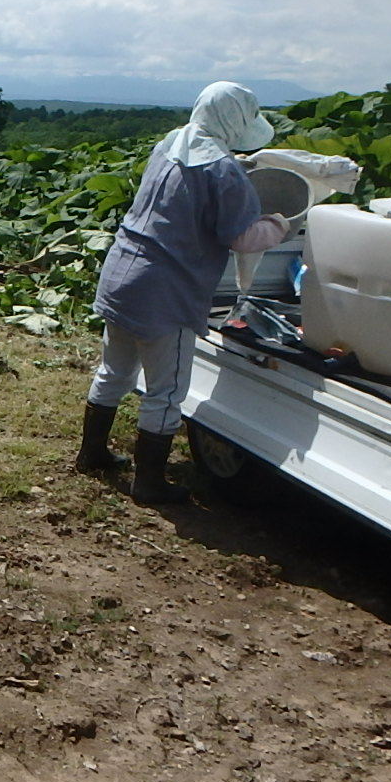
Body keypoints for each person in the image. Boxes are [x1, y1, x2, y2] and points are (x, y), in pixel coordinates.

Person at [76, 82, 291, 504]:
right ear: (235, 121)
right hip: (165, 290)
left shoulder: (171, 144)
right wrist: (281, 226)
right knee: (167, 390)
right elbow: (242, 237)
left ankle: (92, 453)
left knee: (114, 370)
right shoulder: (222, 170)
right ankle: (149, 482)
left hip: (124, 275)